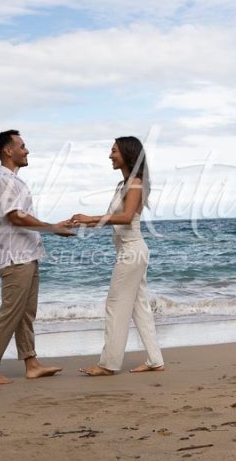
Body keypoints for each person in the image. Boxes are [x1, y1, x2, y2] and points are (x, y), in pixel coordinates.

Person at [0, 130, 75, 385]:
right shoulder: (3, 180)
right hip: (14, 258)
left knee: (25, 313)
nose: (27, 150)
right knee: (11, 312)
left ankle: (31, 363)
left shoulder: (14, 181)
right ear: (8, 151)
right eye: (22, 145)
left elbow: (21, 216)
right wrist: (52, 227)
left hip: (27, 255)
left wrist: (52, 226)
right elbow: (16, 216)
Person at [71, 136, 164, 376]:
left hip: (132, 251)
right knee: (138, 307)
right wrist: (81, 224)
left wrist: (90, 218)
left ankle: (108, 364)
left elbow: (126, 217)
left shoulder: (135, 182)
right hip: (129, 251)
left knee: (114, 304)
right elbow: (110, 219)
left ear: (126, 153)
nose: (110, 155)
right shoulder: (123, 185)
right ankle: (155, 360)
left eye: (113, 151)